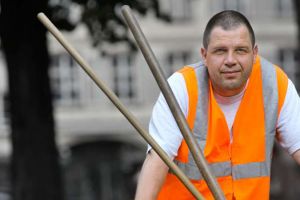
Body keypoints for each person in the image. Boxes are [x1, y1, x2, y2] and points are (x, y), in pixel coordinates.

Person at [134, 10, 300, 200]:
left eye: (240, 50)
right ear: (204, 55)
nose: (230, 60)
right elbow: (157, 161)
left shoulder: (275, 85)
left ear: (254, 53)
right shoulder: (181, 88)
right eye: (220, 51)